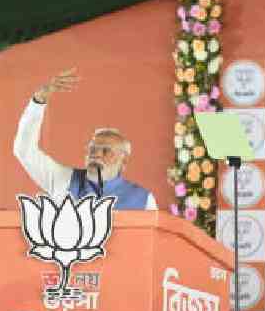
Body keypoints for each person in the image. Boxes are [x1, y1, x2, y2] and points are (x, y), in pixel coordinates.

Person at [13, 68, 157, 209]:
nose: (96, 154)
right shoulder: (64, 180)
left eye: (106, 150)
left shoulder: (142, 200)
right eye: (92, 149)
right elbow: (24, 150)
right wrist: (38, 100)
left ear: (123, 159)